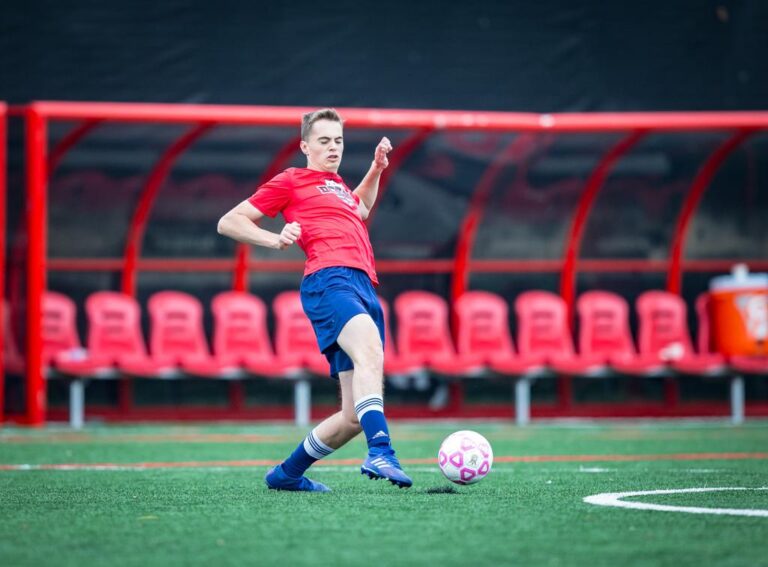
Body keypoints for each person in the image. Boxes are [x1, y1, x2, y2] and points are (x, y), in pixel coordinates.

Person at [217, 108, 412, 491]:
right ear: (305, 145)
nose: (333, 148)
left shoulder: (337, 186)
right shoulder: (292, 179)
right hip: (329, 281)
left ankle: (287, 474)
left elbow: (361, 208)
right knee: (370, 351)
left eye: (338, 141)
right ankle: (382, 451)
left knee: (353, 417)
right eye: (324, 141)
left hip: (362, 286)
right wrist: (274, 239)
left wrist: (376, 169)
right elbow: (230, 221)